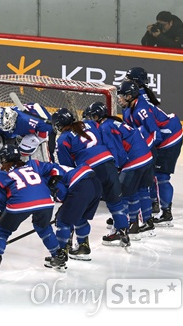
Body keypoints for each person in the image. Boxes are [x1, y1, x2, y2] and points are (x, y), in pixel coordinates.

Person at [52, 107, 129, 248]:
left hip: (91, 170)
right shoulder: (90, 124)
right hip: (109, 162)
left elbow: (68, 169)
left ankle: (77, 243)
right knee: (115, 203)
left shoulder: (63, 139)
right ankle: (123, 232)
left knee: (78, 208)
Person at [84, 98, 154, 243]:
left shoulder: (105, 127)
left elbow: (118, 152)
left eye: (91, 117)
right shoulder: (112, 122)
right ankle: (133, 225)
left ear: (97, 116)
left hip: (134, 161)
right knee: (133, 192)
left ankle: (121, 229)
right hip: (146, 157)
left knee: (120, 196)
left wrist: (116, 168)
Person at [118, 81, 183, 228]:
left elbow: (156, 134)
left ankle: (166, 213)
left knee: (161, 177)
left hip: (170, 137)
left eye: (121, 96)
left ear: (129, 96)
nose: (119, 99)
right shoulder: (129, 107)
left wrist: (143, 151)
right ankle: (151, 207)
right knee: (149, 176)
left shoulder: (141, 110)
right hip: (160, 138)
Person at [0, 144, 67, 271]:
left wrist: (2, 216)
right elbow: (56, 169)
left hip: (19, 203)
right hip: (46, 201)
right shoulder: (34, 164)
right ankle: (58, 256)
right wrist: (52, 185)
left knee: (3, 231)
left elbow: (2, 201)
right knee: (43, 227)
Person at [53, 164, 102, 261]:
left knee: (63, 220)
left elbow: (62, 194)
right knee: (81, 217)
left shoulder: (47, 176)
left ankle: (60, 255)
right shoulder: (54, 167)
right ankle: (83, 246)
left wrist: (61, 211)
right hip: (95, 184)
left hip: (81, 185)